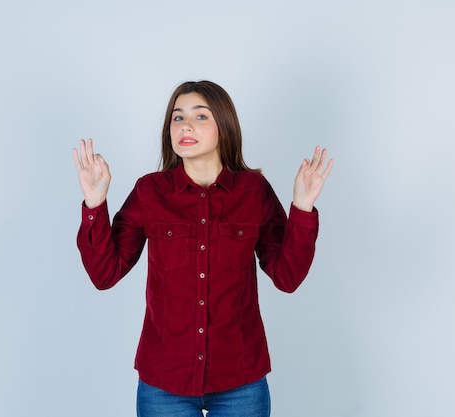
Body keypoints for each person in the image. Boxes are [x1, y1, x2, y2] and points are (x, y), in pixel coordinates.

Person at [73, 80, 332, 417]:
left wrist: (302, 207)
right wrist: (95, 203)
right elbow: (105, 274)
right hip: (164, 384)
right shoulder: (150, 192)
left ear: (223, 127)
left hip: (241, 382)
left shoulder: (253, 192)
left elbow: (287, 277)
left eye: (200, 116)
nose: (186, 125)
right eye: (177, 118)